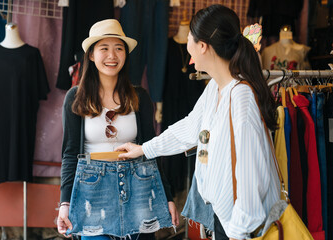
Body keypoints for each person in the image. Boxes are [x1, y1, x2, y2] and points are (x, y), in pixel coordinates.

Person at [116, 4, 281, 240]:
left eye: (190, 38)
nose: (187, 46)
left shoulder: (241, 98)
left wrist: (238, 232)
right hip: (224, 220)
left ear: (203, 46)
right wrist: (144, 149)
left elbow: (251, 175)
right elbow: (190, 128)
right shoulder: (216, 87)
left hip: (240, 228)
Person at [57, 19, 179, 240]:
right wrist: (65, 203)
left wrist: (167, 196)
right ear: (92, 55)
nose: (112, 56)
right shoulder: (76, 98)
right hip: (93, 194)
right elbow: (69, 154)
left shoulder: (139, 96)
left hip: (138, 191)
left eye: (119, 48)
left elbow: (150, 151)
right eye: (104, 48)